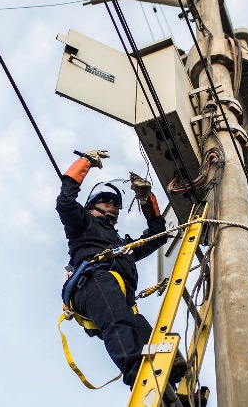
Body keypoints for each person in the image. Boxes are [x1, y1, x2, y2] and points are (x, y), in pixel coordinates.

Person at [56, 149, 186, 388]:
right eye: (106, 201)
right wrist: (84, 163)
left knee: (142, 329)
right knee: (120, 322)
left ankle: (170, 377)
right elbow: (65, 203)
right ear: (91, 208)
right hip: (93, 282)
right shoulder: (82, 223)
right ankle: (136, 371)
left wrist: (148, 201)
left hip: (118, 294)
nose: (112, 205)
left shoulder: (121, 245)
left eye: (116, 204)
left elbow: (157, 236)